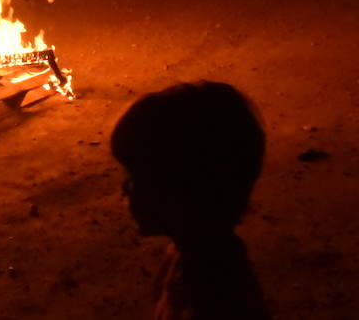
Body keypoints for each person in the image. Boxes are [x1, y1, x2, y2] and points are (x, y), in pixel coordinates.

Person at [110, 82, 268, 320]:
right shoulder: (192, 251)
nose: (124, 189)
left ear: (186, 188)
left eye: (136, 176)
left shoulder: (214, 298)